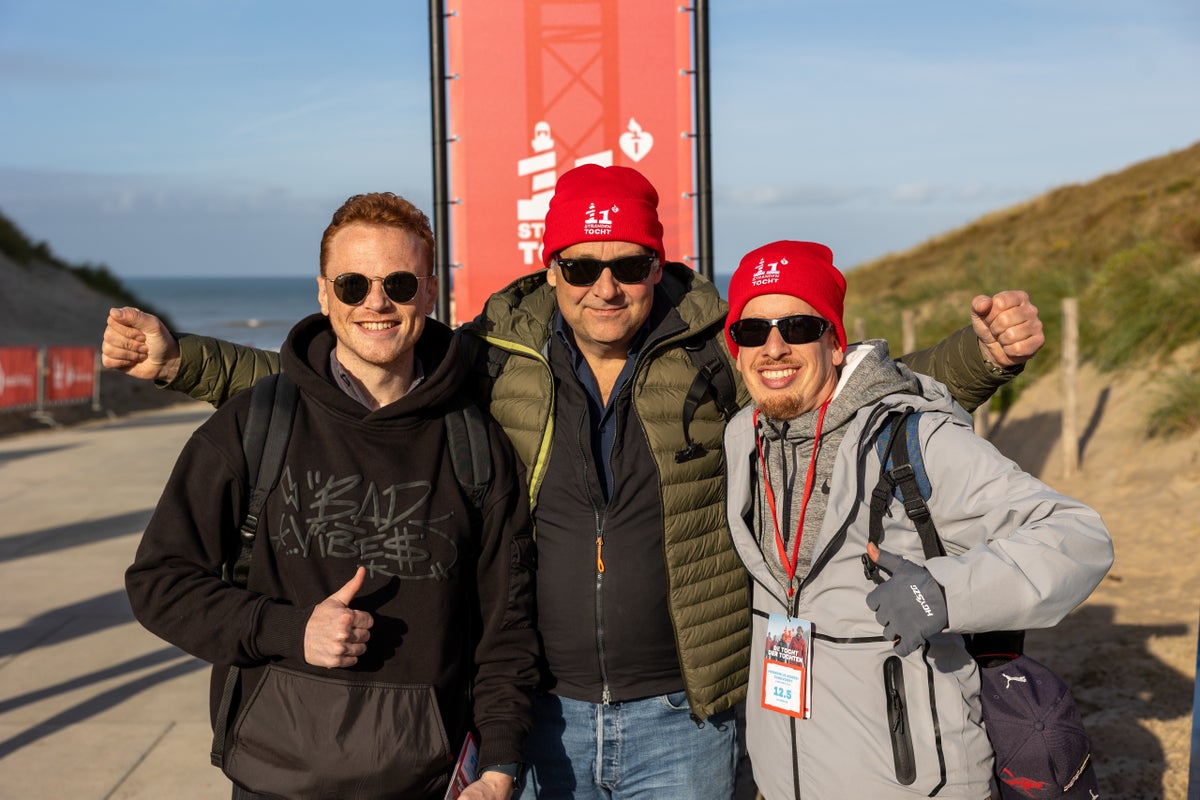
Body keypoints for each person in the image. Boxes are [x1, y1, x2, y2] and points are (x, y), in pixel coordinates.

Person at [104, 165, 1045, 799]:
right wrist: (186, 361)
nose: (605, 285)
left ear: (656, 266)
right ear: (550, 269)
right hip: (537, 715)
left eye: (628, 265)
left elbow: (833, 385)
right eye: (581, 264)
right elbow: (344, 382)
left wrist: (976, 358)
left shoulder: (718, 350)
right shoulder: (488, 354)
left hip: (686, 715)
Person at [123, 192, 539, 800]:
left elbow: (506, 626)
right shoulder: (255, 423)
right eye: (352, 284)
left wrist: (500, 763)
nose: (376, 302)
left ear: (429, 292)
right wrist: (289, 630)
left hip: (426, 779)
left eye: (399, 282)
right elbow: (158, 582)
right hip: (275, 773)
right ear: (323, 293)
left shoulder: (474, 441)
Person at [720, 240, 1113, 798]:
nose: (774, 347)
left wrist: (947, 593)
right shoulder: (744, 438)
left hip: (913, 781)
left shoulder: (912, 435)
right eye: (753, 331)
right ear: (735, 349)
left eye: (800, 326)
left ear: (836, 343)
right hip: (788, 777)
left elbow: (1077, 536)